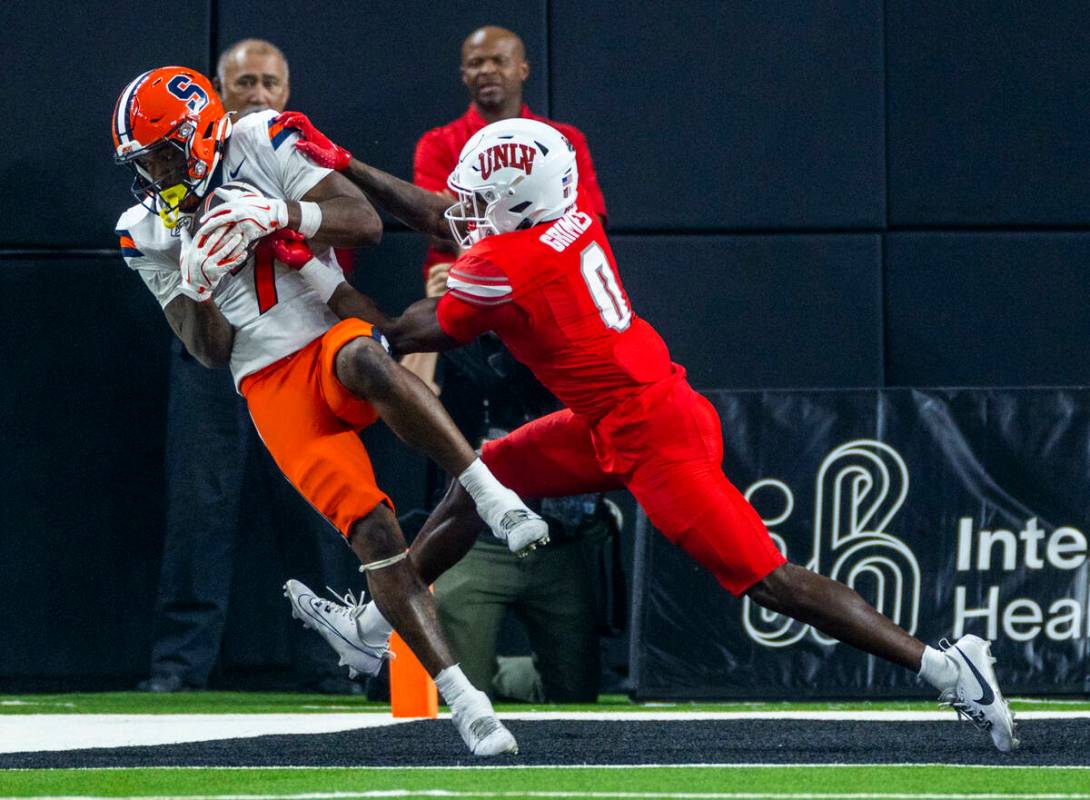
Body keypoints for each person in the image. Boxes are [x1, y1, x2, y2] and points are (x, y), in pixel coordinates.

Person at [272, 111, 1020, 753]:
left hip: (653, 438)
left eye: (481, 197)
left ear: (513, 201)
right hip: (627, 412)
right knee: (485, 475)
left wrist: (316, 277)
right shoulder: (564, 220)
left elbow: (402, 331)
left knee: (771, 581)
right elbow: (447, 216)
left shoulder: (506, 264)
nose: (465, 206)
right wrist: (346, 166)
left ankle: (947, 667)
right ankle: (376, 623)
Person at [112, 65, 550, 756]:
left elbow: (366, 223)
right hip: (267, 379)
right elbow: (210, 351)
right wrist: (195, 286)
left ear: (198, 135)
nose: (155, 174)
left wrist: (282, 213)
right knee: (374, 531)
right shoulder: (145, 228)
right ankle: (469, 705)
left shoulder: (260, 139)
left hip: (325, 334)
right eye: (144, 162)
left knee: (367, 359)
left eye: (164, 153)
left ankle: (490, 493)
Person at [396, 25, 613, 701]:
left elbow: (580, 223)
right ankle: (436, 569)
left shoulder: (564, 140)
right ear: (463, 75)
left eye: (497, 60)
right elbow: (445, 240)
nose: (486, 71)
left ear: (523, 67)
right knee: (434, 390)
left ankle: (567, 543)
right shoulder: (440, 144)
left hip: (537, 291)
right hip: (477, 293)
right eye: (474, 63)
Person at [138, 39, 361, 696]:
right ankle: (179, 670)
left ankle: (334, 664)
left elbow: (347, 239)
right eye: (244, 84)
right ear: (215, 91)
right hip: (214, 361)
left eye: (269, 83)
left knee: (320, 509)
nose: (258, 96)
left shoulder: (295, 153)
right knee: (199, 511)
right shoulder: (172, 169)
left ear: (285, 92)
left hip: (294, 354)